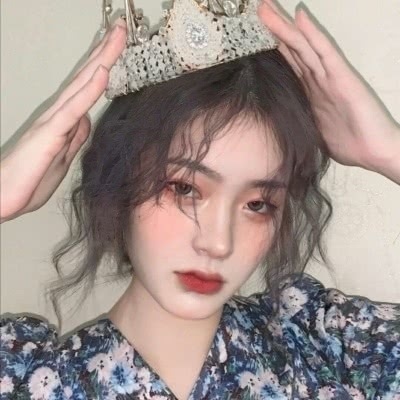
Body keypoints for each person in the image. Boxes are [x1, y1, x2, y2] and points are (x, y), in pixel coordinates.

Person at [1, 0, 399, 399]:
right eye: (184, 188)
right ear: (119, 179)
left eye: (257, 204)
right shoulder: (28, 381)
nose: (218, 243)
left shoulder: (328, 349)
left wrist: (388, 150)